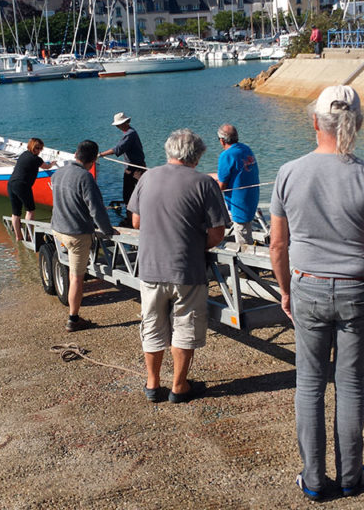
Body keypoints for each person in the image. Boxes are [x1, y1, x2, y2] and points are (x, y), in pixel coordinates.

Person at [268, 85, 364, 501]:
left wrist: (286, 290)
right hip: (358, 291)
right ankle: (350, 476)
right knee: (350, 384)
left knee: (309, 384)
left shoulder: (289, 172)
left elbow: (278, 244)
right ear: (357, 124)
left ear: (314, 122)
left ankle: (312, 480)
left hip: (307, 285)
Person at [128, 129, 229, 404]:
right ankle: (179, 386)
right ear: (196, 157)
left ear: (169, 151)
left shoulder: (147, 177)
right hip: (187, 268)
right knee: (185, 325)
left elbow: (136, 222)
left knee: (152, 325)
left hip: (150, 267)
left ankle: (152, 384)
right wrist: (195, 244)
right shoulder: (204, 183)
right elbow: (217, 234)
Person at [51, 140, 117, 332]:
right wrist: (108, 231)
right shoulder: (85, 178)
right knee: (76, 277)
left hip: (58, 230)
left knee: (73, 271)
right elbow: (96, 211)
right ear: (94, 159)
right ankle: (73, 319)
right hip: (76, 235)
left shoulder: (58, 173)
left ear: (76, 154)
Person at [98, 112, 146, 227]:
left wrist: (100, 154)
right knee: (127, 195)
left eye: (119, 124)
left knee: (142, 193)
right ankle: (130, 218)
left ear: (125, 123)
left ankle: (136, 219)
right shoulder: (128, 133)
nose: (117, 127)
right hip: (129, 169)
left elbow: (118, 149)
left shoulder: (130, 134)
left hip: (137, 169)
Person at [215, 124, 260, 245]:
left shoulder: (227, 155)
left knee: (244, 242)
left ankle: (248, 263)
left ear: (222, 140)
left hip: (239, 206)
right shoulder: (246, 149)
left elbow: (221, 186)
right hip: (251, 198)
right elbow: (236, 172)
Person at [8, 138, 54, 242]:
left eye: (41, 149)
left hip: (11, 184)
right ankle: (29, 236)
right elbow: (46, 167)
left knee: (16, 213)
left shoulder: (24, 154)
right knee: (30, 211)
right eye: (37, 148)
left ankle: (18, 237)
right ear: (32, 147)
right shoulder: (36, 159)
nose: (39, 151)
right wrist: (52, 164)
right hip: (22, 185)